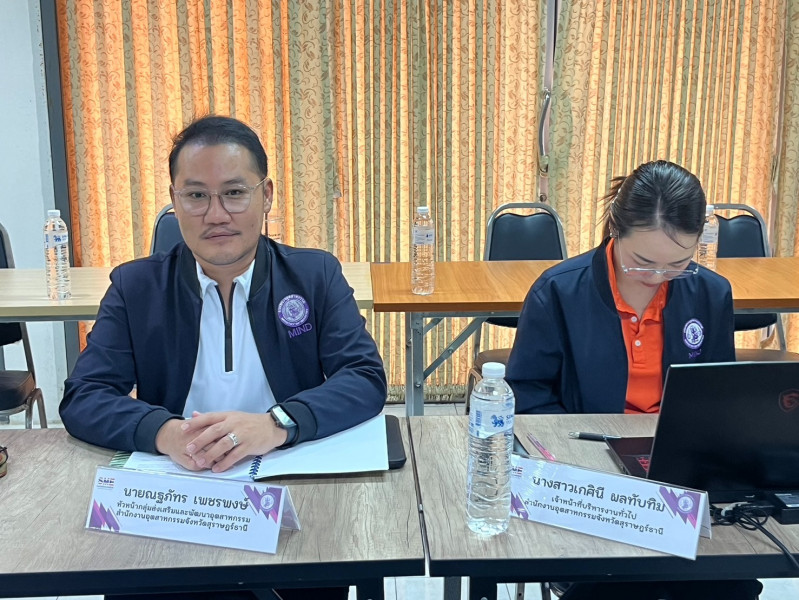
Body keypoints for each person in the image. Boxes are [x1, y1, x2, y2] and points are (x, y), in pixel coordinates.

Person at [60, 115, 386, 600]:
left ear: (266, 195)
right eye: (196, 195)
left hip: (287, 485)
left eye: (234, 193)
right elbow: (85, 396)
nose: (216, 215)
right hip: (179, 493)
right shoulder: (136, 287)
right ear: (175, 201)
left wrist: (276, 424)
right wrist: (165, 433)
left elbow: (363, 377)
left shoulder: (314, 276)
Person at [507, 160, 762, 600]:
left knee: (728, 583)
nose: (657, 277)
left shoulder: (710, 292)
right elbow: (527, 397)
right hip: (589, 475)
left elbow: (716, 397)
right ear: (615, 230)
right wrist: (586, 460)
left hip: (678, 473)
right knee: (620, 581)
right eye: (642, 262)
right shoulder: (559, 292)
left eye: (677, 264)